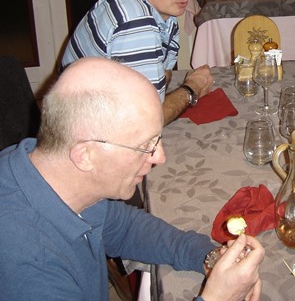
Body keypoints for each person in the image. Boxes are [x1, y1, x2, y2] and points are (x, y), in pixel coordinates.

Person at [0, 57, 264, 301]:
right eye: (145, 146)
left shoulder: (52, 168)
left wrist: (207, 256)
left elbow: (124, 228)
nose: (160, 157)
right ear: (86, 155)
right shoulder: (31, 271)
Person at [61, 0, 213, 126]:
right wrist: (191, 88)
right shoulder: (135, 24)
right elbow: (146, 121)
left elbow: (163, 76)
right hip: (86, 133)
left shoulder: (145, 2)